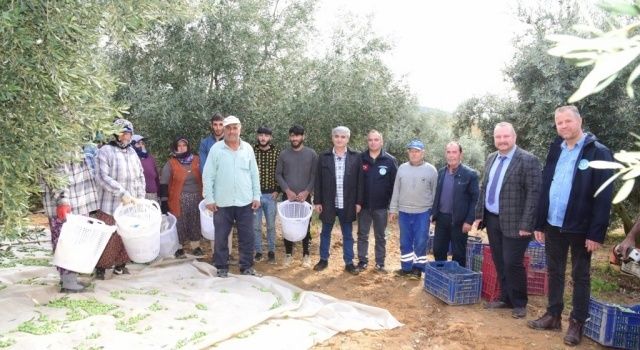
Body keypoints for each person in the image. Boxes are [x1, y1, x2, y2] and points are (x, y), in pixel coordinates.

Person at [527, 106, 614, 346]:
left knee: (580, 276)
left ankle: (577, 323)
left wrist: (596, 232)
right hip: (553, 223)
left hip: (581, 227)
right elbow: (547, 185)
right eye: (559, 122)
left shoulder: (598, 152)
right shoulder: (556, 148)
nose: (563, 126)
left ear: (580, 121)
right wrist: (540, 222)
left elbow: (604, 196)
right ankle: (553, 315)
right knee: (554, 271)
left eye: (567, 121)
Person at [473, 122, 542, 319]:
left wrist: (527, 224)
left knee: (513, 262)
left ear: (514, 137)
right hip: (493, 219)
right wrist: (479, 215)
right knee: (499, 261)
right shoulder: (491, 158)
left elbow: (534, 195)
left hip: (516, 223)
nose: (502, 141)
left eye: (506, 137)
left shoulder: (528, 160)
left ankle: (520, 303)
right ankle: (505, 298)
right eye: (498, 137)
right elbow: (484, 187)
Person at [203, 116, 261, 277]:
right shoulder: (216, 149)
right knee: (221, 236)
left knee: (247, 236)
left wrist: (256, 195)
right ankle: (221, 267)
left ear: (240, 129)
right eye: (228, 128)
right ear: (224, 130)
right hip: (222, 202)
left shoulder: (247, 149)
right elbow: (208, 175)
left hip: (245, 201)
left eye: (235, 128)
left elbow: (254, 174)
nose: (231, 131)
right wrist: (209, 198)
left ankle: (247, 266)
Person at [94, 118, 146, 279]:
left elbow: (139, 176)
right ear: (115, 134)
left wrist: (140, 198)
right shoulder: (105, 151)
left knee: (127, 236)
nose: (126, 137)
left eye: (129, 133)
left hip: (129, 205)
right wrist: (122, 192)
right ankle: (101, 267)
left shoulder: (131, 152)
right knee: (109, 238)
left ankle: (120, 265)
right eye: (123, 133)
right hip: (111, 204)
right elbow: (102, 177)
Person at [42, 152, 100, 292]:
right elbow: (57, 176)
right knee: (65, 241)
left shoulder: (72, 145)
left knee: (75, 242)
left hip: (77, 204)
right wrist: (63, 200)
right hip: (67, 206)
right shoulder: (59, 147)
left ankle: (70, 279)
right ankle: (68, 282)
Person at [313, 126, 363, 275]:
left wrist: (358, 202)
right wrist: (318, 201)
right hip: (329, 202)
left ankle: (349, 262)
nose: (339, 139)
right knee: (325, 232)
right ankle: (323, 259)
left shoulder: (356, 157)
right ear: (332, 138)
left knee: (347, 234)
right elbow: (318, 180)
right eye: (337, 136)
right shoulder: (324, 156)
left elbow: (360, 181)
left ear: (348, 139)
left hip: (347, 202)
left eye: (343, 137)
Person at [388, 139, 438, 280]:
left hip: (423, 212)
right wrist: (393, 209)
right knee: (405, 241)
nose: (414, 154)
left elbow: (435, 193)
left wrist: (434, 214)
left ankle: (418, 269)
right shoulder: (402, 168)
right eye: (411, 151)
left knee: (421, 241)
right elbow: (396, 190)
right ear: (408, 153)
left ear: (423, 153)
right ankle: (406, 267)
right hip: (404, 212)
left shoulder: (431, 170)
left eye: (417, 151)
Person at [431, 141, 479, 267]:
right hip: (441, 219)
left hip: (459, 221)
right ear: (445, 154)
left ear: (460, 154)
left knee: (458, 254)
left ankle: (456, 280)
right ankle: (441, 277)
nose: (451, 155)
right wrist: (434, 214)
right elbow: (438, 194)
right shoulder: (441, 172)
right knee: (438, 250)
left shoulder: (470, 174)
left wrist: (469, 221)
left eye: (454, 152)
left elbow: (476, 199)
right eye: (448, 152)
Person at [275, 125, 318, 268]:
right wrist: (287, 190)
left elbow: (314, 175)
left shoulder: (311, 154)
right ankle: (288, 255)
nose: (295, 138)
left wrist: (307, 191)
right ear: (289, 137)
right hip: (288, 198)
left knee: (304, 226)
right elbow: (278, 174)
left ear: (303, 137)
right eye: (292, 136)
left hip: (304, 198)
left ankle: (306, 255)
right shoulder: (283, 154)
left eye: (298, 136)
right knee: (288, 227)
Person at [356, 130, 397, 273]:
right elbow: (356, 183)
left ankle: (380, 263)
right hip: (364, 207)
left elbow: (394, 186)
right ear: (367, 142)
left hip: (381, 207)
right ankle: (362, 261)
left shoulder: (390, 160)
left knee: (380, 236)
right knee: (362, 234)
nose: (373, 142)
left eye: (376, 140)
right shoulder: (360, 158)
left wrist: (392, 207)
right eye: (370, 140)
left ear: (382, 141)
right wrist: (357, 202)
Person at [159, 137, 204, 258]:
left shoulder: (197, 160)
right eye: (179, 146)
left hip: (197, 198)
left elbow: (206, 175)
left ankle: (196, 246)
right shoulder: (171, 163)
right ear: (175, 148)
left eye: (184, 145)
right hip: (178, 199)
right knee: (180, 223)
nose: (182, 148)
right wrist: (164, 201)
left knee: (195, 221)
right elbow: (163, 182)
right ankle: (179, 247)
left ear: (188, 147)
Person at [253, 126, 280, 264]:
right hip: (255, 195)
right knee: (256, 226)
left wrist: (277, 189)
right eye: (261, 135)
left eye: (266, 136)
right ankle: (258, 252)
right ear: (257, 136)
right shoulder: (251, 151)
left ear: (270, 137)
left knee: (270, 226)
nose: (263, 138)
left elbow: (280, 172)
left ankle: (271, 251)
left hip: (271, 195)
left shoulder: (276, 152)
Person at [132, 135, 160, 202]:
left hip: (153, 196)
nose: (142, 145)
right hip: (137, 197)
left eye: (142, 143)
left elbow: (156, 178)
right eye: (138, 143)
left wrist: (160, 195)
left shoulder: (150, 158)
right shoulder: (131, 159)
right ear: (132, 145)